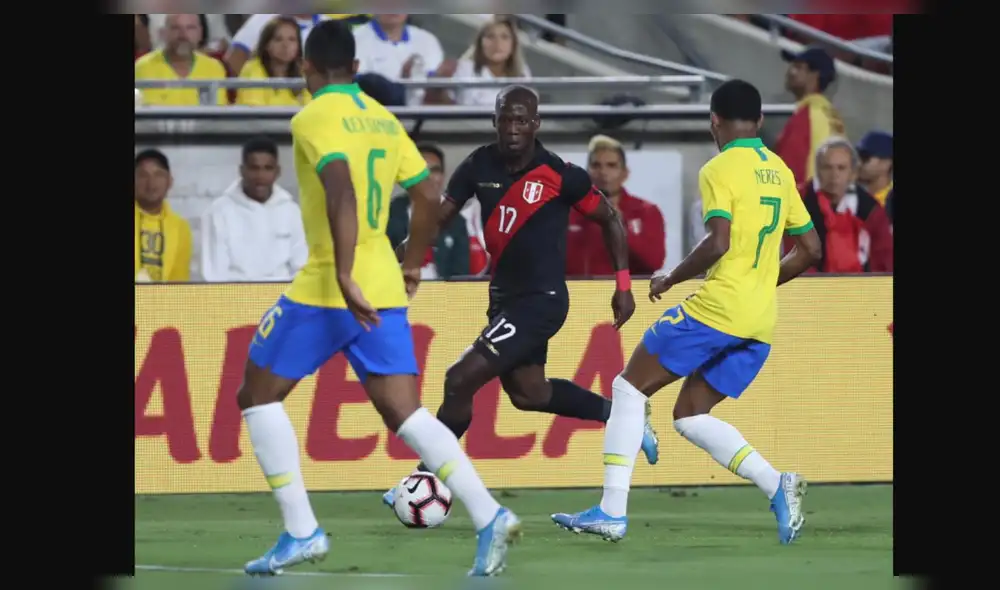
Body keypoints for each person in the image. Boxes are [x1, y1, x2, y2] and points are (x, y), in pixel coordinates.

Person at [238, 20, 521, 578]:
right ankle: (490, 515)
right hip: (386, 284)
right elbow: (428, 192)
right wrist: (414, 260)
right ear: (356, 69)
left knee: (257, 394)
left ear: (307, 70)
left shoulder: (313, 115)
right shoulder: (383, 118)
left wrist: (343, 273)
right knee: (407, 413)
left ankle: (301, 531)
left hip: (328, 286)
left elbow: (339, 188)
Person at [552, 79, 823, 546]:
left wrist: (670, 278)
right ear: (758, 121)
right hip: (759, 321)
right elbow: (810, 249)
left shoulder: (720, 168)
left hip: (716, 310)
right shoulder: (779, 170)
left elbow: (718, 242)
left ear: (714, 121)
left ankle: (611, 511)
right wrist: (759, 284)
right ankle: (776, 483)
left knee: (626, 387)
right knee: (690, 414)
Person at [382, 84, 660, 507]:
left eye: (521, 120)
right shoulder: (478, 165)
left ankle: (426, 478)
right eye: (505, 120)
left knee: (459, 379)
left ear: (535, 124)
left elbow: (611, 220)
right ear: (494, 121)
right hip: (504, 297)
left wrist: (623, 286)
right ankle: (623, 417)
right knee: (530, 393)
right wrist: (406, 255)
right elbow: (439, 219)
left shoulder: (560, 174)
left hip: (542, 299)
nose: (512, 128)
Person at [200, 137, 308, 282]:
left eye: (267, 168)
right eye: (254, 168)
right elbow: (214, 276)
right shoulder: (218, 212)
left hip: (282, 301)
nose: (260, 176)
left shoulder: (292, 211)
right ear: (242, 171)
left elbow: (302, 268)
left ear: (278, 172)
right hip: (235, 300)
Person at [133, 14, 227, 106]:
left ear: (200, 33)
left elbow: (219, 117)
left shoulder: (214, 68)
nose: (183, 35)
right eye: (175, 28)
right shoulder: (142, 68)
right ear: (163, 33)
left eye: (190, 28)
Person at [134, 149, 192, 282]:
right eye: (143, 175)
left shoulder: (180, 227)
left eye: (158, 175)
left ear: (170, 181)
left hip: (163, 301)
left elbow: (179, 280)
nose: (151, 183)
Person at [235, 16, 311, 107]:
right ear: (267, 45)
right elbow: (254, 112)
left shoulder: (302, 72)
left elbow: (310, 108)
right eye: (278, 39)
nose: (285, 45)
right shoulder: (253, 68)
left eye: (292, 39)